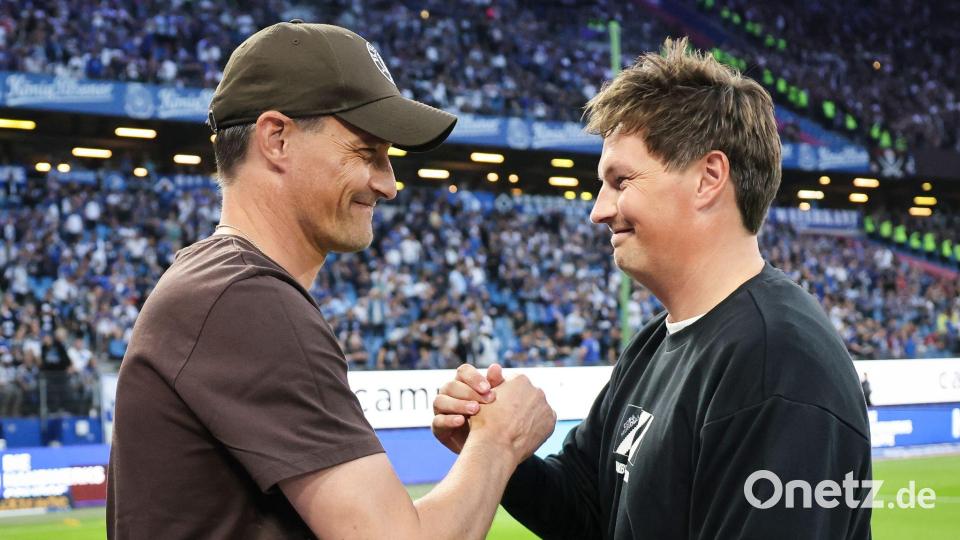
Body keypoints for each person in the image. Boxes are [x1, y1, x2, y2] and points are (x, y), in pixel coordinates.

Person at [107, 20, 555, 539]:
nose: (388, 184)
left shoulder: (218, 283)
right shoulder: (246, 299)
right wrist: (498, 442)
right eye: (367, 153)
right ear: (277, 139)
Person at [433, 38, 872, 539]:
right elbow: (588, 508)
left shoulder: (777, 363)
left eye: (621, 181)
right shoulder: (656, 342)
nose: (598, 210)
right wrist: (498, 447)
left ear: (708, 177)